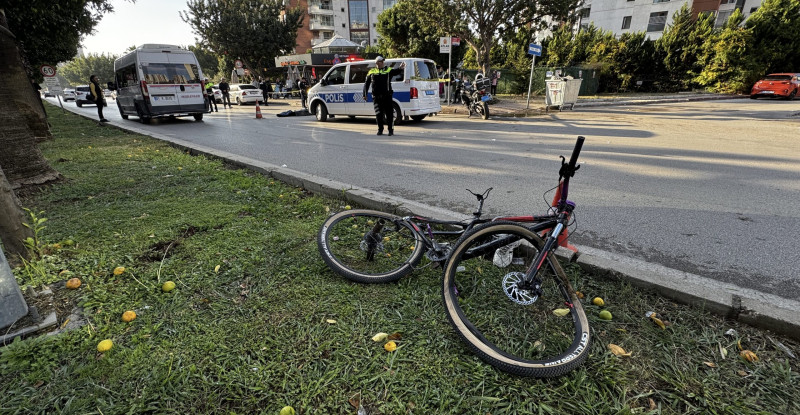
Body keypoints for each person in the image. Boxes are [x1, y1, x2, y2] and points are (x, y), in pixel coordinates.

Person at [363, 56, 405, 136]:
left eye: (382, 61)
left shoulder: (388, 70)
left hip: (387, 96)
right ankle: (380, 130)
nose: (382, 63)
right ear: (377, 63)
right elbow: (366, 84)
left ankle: (390, 130)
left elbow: (396, 72)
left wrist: (400, 68)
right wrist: (364, 94)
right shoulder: (372, 71)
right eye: (381, 61)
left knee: (389, 114)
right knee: (378, 114)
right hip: (376, 97)